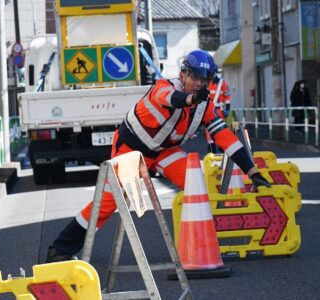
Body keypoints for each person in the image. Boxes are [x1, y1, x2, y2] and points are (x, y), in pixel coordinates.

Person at [45, 50, 271, 262]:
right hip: (131, 149)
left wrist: (253, 172)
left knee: (195, 184)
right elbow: (172, 99)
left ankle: (198, 243)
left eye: (205, 79)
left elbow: (226, 138)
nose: (200, 84)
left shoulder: (206, 106)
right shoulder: (163, 87)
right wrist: (191, 100)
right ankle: (60, 249)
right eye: (195, 78)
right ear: (183, 74)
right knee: (110, 200)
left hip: (164, 151)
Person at [206, 70, 232, 153]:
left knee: (220, 130)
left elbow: (227, 96)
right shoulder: (206, 82)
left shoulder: (222, 83)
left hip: (219, 110)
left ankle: (222, 148)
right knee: (208, 131)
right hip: (208, 110)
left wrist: (227, 109)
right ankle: (212, 148)